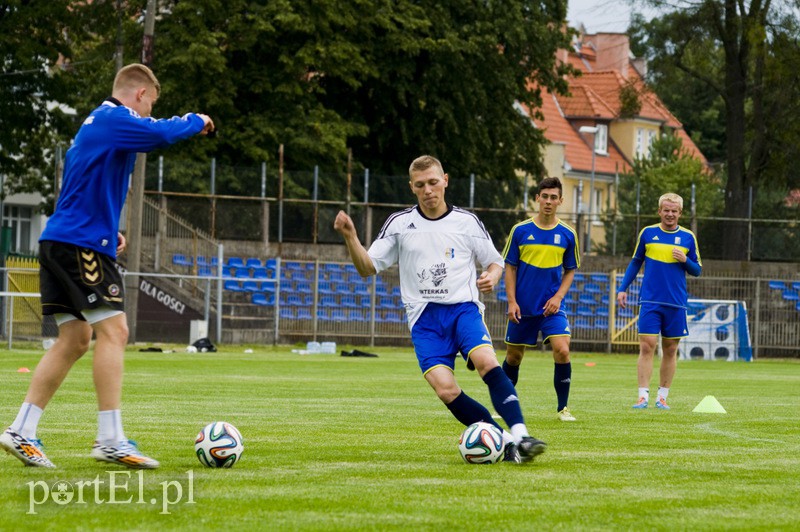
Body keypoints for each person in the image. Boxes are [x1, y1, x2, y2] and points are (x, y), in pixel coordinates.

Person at [0, 64, 214, 469]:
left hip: (62, 240)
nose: (149, 112)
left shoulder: (94, 124)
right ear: (140, 94)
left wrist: (107, 229)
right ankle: (111, 439)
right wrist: (196, 120)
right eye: (150, 103)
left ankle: (21, 430)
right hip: (80, 245)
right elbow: (161, 134)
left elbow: (85, 184)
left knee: (75, 339)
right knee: (115, 330)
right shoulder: (117, 118)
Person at [334, 155, 546, 463]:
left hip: (463, 309)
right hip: (424, 319)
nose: (428, 190)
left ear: (445, 180)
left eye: (433, 182)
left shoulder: (466, 222)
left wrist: (492, 275)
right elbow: (368, 268)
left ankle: (522, 433)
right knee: (446, 390)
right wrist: (351, 237)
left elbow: (495, 260)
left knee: (486, 361)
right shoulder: (399, 224)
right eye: (420, 185)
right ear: (412, 187)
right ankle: (506, 442)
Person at [500, 177, 580, 422]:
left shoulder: (568, 234)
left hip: (551, 308)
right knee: (514, 357)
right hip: (522, 308)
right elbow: (510, 268)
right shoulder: (520, 231)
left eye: (553, 197)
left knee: (562, 350)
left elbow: (571, 270)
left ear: (560, 201)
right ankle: (505, 404)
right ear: (537, 198)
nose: (548, 201)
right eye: (544, 196)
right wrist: (512, 301)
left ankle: (563, 408)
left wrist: (558, 296)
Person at [616, 192, 702, 410]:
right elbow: (635, 262)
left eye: (674, 211)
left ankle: (662, 397)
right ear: (659, 211)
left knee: (670, 349)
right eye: (666, 210)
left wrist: (685, 260)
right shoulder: (648, 233)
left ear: (680, 213)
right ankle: (642, 396)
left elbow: (697, 270)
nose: (670, 214)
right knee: (647, 345)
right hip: (650, 301)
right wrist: (622, 288)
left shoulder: (688, 237)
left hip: (675, 302)